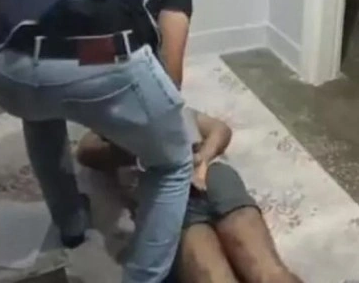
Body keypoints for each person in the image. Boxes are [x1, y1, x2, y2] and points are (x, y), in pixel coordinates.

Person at [0, 0, 195, 282]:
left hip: (2, 62)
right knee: (173, 164)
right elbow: (172, 70)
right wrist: (142, 130)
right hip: (95, 55)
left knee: (40, 109)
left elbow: (35, 19)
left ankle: (70, 224)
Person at [77, 110, 303, 283]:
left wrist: (203, 157)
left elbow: (221, 129)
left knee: (270, 273)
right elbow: (86, 153)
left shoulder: (177, 109)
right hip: (166, 198)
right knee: (214, 276)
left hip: (212, 177)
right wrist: (142, 144)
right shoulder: (109, 127)